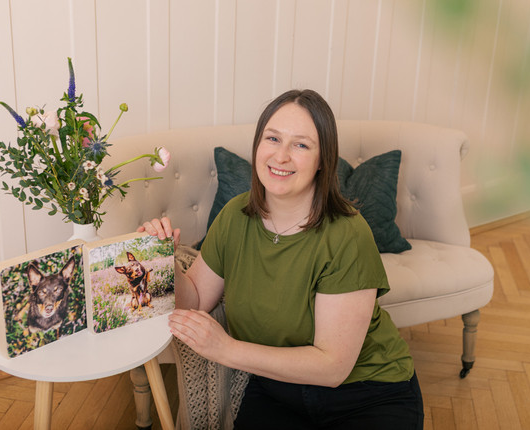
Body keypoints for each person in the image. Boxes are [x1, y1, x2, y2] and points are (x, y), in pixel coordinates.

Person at [139, 89, 424, 429]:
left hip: (366, 393)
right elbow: (196, 300)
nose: (281, 156)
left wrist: (226, 349)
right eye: (272, 138)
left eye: (301, 145)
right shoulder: (235, 216)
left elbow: (333, 367)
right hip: (277, 389)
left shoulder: (348, 233)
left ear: (323, 160)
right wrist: (162, 260)